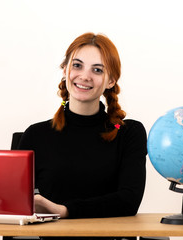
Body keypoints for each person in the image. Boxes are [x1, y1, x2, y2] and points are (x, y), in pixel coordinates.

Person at [18, 32, 147, 240]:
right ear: (65, 70)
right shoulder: (35, 134)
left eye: (97, 70)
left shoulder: (128, 133)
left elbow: (128, 201)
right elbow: (10, 202)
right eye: (77, 65)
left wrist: (64, 211)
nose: (85, 76)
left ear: (111, 80)